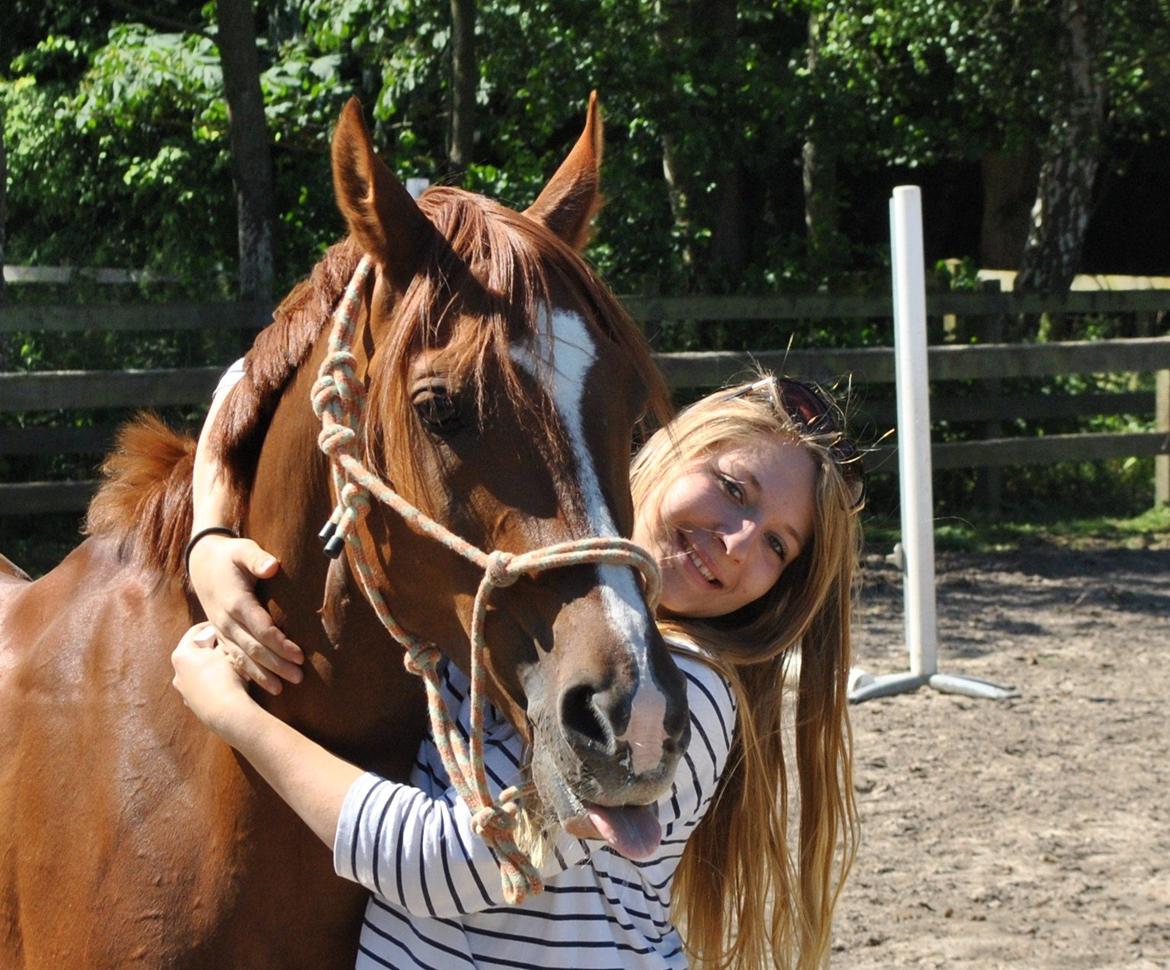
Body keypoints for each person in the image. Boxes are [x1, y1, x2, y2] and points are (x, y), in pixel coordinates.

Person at [172, 371, 864, 969]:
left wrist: (235, 716)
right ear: (676, 445)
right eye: (733, 489)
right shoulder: (532, 597)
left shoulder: (686, 692)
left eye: (778, 543)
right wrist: (209, 533)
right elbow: (252, 373)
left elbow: (451, 864)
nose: (739, 544)